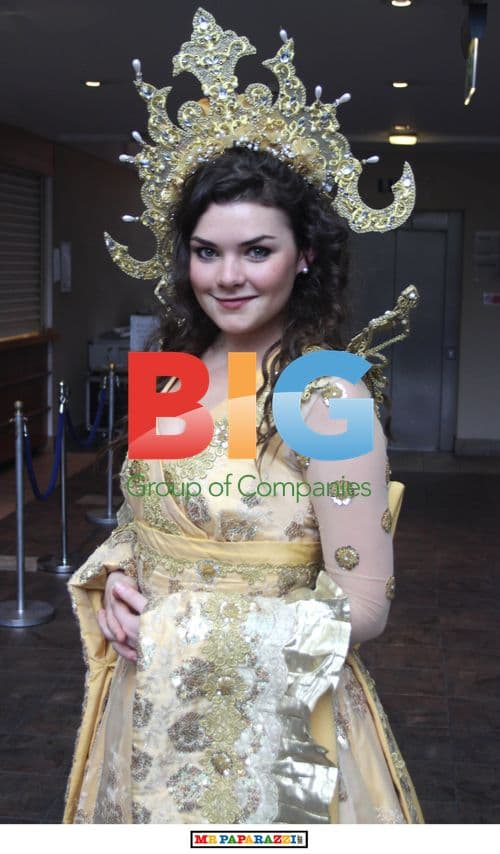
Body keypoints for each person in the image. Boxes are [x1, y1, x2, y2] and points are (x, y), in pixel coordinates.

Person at [63, 9, 423, 824]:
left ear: (305, 256)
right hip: (151, 712)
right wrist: (120, 581)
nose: (227, 277)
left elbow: (363, 605)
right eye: (206, 250)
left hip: (279, 727)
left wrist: (184, 626)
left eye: (256, 250)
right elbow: (154, 528)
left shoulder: (322, 393)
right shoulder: (178, 372)